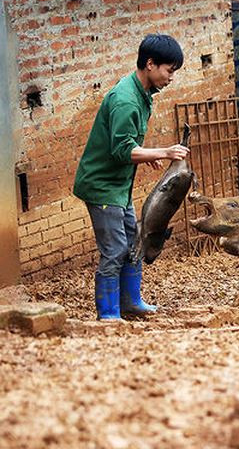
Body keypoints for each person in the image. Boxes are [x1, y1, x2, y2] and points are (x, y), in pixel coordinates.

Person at [73, 34, 189, 320]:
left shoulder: (142, 93)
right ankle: (109, 314)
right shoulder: (126, 100)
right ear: (150, 64)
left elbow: (128, 142)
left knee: (133, 241)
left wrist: (147, 154)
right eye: (169, 70)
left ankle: (131, 302)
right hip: (102, 187)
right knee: (114, 250)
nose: (171, 77)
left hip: (119, 186)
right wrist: (163, 152)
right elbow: (121, 150)